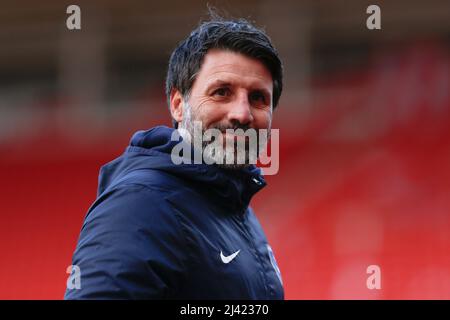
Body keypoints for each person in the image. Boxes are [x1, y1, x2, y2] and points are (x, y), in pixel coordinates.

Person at [65, 15, 284, 300]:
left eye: (258, 98)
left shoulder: (236, 209)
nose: (242, 114)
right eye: (221, 92)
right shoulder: (141, 204)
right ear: (179, 105)